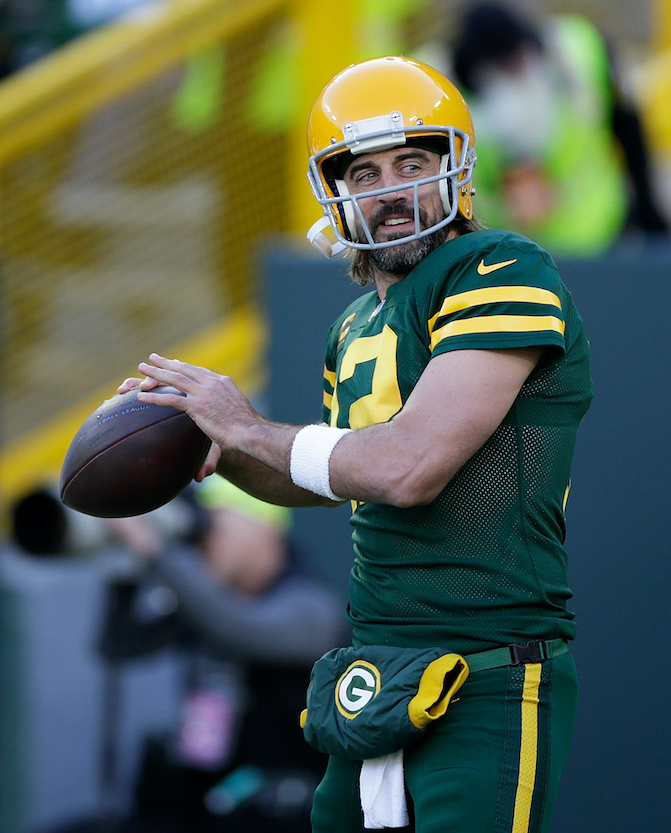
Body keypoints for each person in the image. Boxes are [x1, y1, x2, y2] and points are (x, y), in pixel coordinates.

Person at [120, 56, 591, 832]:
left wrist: (249, 426)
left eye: (412, 162)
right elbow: (337, 475)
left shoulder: (501, 267)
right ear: (335, 193)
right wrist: (215, 448)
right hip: (375, 666)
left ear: (454, 169)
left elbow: (407, 467)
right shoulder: (354, 324)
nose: (391, 189)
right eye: (365, 171)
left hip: (490, 667)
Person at [105, 477, 347, 833]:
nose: (199, 545)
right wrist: (125, 575)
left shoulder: (311, 608)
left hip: (284, 814)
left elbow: (242, 629)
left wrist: (158, 552)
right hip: (205, 805)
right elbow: (122, 647)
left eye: (208, 528)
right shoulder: (203, 605)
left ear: (262, 528)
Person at [444, 2, 668, 254]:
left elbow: (627, 126)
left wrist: (649, 213)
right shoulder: (437, 88)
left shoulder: (580, 50)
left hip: (603, 234)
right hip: (503, 255)